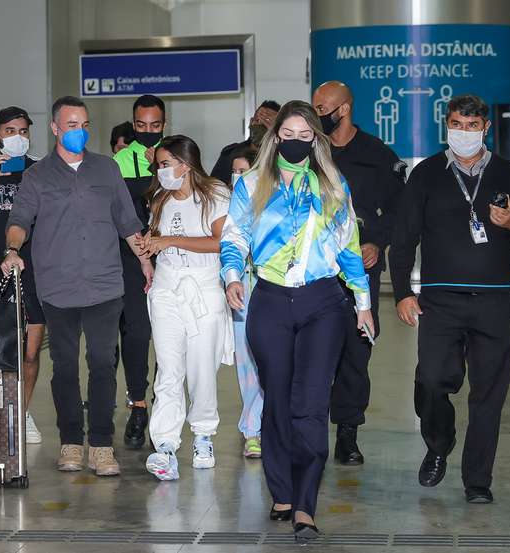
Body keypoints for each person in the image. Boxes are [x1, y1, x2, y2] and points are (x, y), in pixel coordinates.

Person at [221, 101, 374, 541]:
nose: (294, 140)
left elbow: (348, 244)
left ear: (315, 140)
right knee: (278, 399)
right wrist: (233, 276)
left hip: (323, 303)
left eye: (304, 134)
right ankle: (281, 489)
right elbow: (234, 236)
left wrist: (362, 302)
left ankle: (305, 504)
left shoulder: (331, 184)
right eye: (286, 132)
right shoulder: (251, 183)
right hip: (268, 301)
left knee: (310, 403)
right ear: (275, 137)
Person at [2, 96, 152, 477]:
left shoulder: (107, 169)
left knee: (103, 364)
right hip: (58, 287)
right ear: (54, 128)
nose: (79, 132)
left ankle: (102, 445)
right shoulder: (38, 176)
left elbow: (127, 222)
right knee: (65, 367)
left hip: (104, 284)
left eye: (84, 125)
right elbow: (19, 220)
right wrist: (12, 249)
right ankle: (71, 441)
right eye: (71, 125)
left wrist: (145, 260)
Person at [389, 94, 510, 504]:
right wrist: (403, 294)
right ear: (446, 126)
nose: (463, 132)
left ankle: (477, 481)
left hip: (495, 301)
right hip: (441, 301)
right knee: (432, 379)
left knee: (488, 395)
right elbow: (403, 239)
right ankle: (438, 442)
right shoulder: (426, 174)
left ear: (485, 128)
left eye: (471, 125)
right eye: (456, 124)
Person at [312, 80, 406, 465]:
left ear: (344, 109)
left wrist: (377, 243)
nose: (317, 114)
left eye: (322, 108)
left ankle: (347, 432)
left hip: (358, 269)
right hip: (312, 268)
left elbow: (402, 210)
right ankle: (311, 429)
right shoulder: (309, 153)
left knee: (355, 350)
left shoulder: (377, 155)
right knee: (314, 352)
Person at [140, 135, 233, 481]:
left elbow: (223, 243)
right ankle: (164, 444)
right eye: (159, 165)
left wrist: (171, 240)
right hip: (166, 289)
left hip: (204, 290)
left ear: (186, 164)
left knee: (201, 369)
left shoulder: (216, 195)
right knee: (168, 368)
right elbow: (156, 239)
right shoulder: (160, 199)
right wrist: (147, 252)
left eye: (165, 164)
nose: (160, 171)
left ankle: (203, 435)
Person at [0, 106, 44, 444]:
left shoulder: (41, 171)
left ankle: (23, 411)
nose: (16, 136)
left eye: (22, 130)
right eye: (9, 130)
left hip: (33, 269)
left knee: (30, 352)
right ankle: (0, 412)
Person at [112, 94, 166, 449]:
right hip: (130, 258)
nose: (148, 132)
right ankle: (138, 404)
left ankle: (165, 406)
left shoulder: (177, 156)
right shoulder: (116, 162)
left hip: (172, 256)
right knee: (136, 333)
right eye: (142, 126)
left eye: (156, 126)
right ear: (133, 125)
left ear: (165, 124)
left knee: (169, 337)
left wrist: (161, 171)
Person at [228, 147, 263, 458]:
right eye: (234, 171)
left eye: (244, 171)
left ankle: (266, 425)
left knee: (273, 363)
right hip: (240, 297)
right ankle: (252, 429)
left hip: (270, 292)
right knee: (247, 366)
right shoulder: (225, 208)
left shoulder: (271, 205)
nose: (238, 177)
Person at [210, 100, 281, 182]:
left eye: (268, 122)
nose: (262, 125)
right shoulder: (231, 154)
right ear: (250, 122)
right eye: (258, 120)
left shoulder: (283, 154)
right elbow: (215, 187)